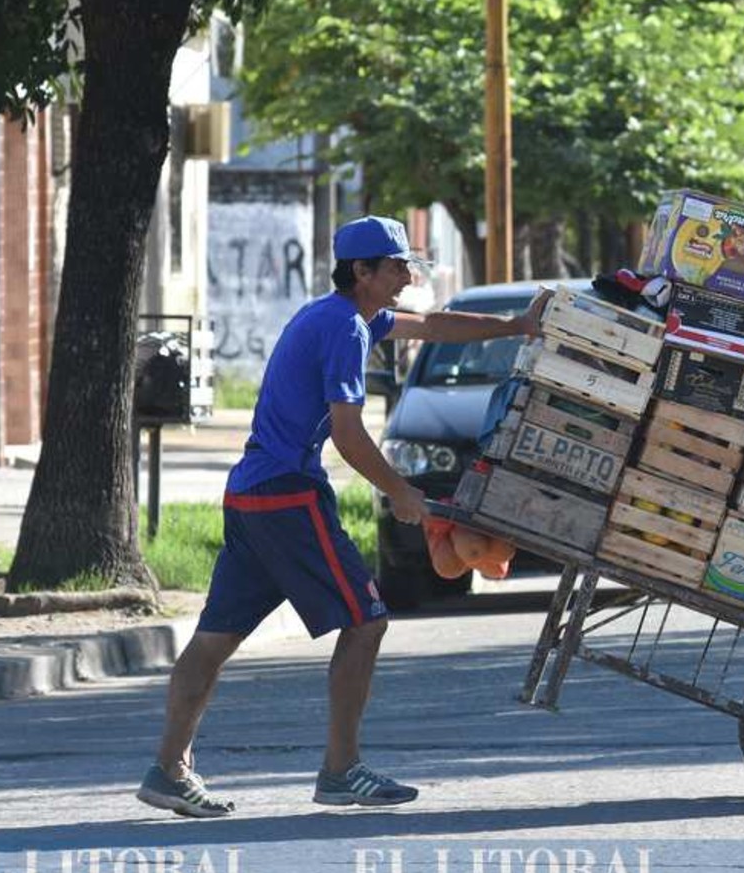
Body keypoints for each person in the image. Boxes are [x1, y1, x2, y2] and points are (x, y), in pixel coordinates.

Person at [137, 215, 539, 818]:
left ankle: (169, 770)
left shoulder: (346, 315)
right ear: (363, 271)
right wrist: (400, 490)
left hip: (252, 493)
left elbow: (433, 326)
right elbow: (349, 435)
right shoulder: (345, 329)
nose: (407, 276)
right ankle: (340, 770)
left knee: (216, 637)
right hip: (287, 496)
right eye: (398, 266)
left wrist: (516, 326)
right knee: (367, 620)